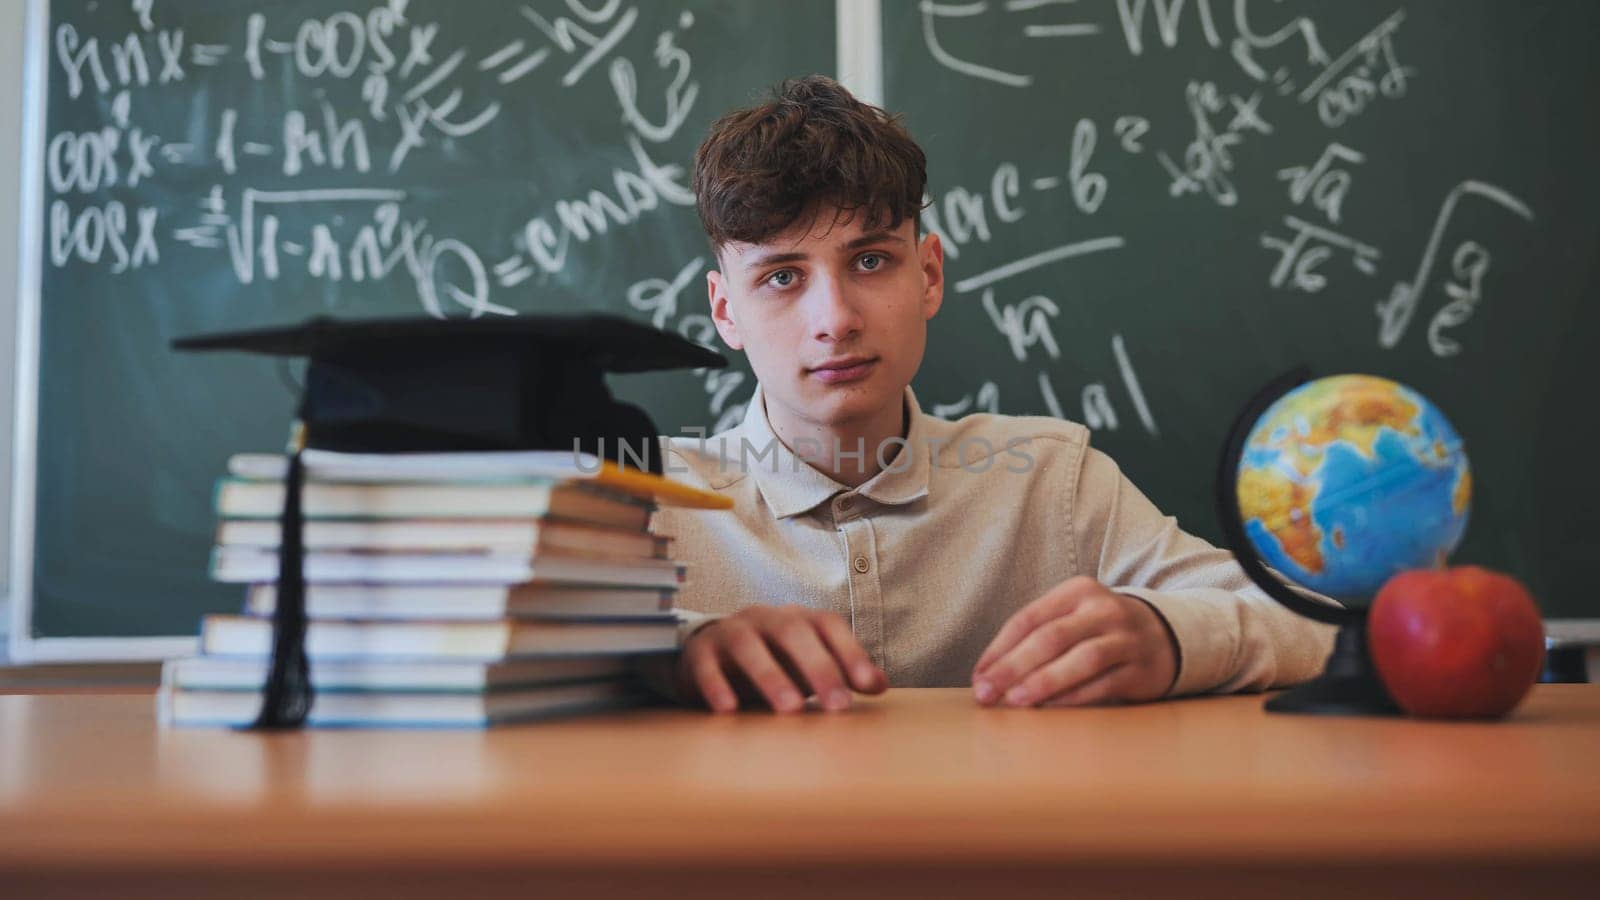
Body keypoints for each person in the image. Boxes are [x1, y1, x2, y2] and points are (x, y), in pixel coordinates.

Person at [649, 76, 1334, 714]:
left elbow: (1318, 623)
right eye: (781, 277)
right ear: (724, 311)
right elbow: (539, 641)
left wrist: (1172, 635)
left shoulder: (1052, 483)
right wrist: (677, 651)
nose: (835, 319)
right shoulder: (651, 503)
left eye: (869, 261)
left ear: (929, 275)